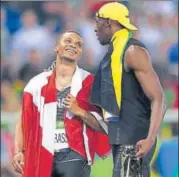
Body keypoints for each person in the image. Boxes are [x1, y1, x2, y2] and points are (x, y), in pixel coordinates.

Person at [12, 31, 111, 177]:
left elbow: (105, 126)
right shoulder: (37, 84)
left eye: (78, 45)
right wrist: (18, 151)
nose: (73, 45)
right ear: (56, 47)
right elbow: (23, 120)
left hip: (74, 155)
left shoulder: (90, 83)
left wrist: (80, 111)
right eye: (68, 41)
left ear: (80, 53)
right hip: (42, 154)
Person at [90, 2, 167, 177]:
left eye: (97, 22)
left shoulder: (132, 51)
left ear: (108, 22)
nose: (95, 28)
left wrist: (150, 139)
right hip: (122, 139)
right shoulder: (112, 55)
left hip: (136, 141)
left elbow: (159, 99)